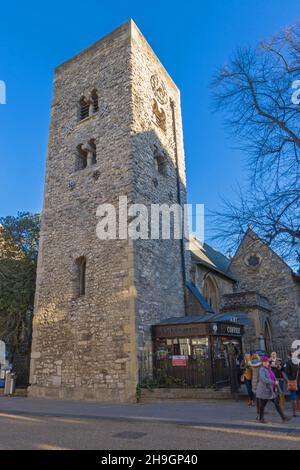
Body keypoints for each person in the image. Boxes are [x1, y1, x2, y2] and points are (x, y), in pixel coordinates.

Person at [256, 357, 288, 424]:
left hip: (271, 390)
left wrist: (276, 380)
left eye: (267, 362)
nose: (267, 363)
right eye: (265, 362)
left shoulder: (269, 369)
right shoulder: (262, 369)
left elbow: (272, 377)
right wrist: (274, 382)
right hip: (264, 390)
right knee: (262, 405)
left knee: (277, 404)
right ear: (262, 363)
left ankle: (284, 418)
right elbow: (263, 379)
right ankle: (261, 418)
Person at [284, 351, 300, 418]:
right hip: (299, 382)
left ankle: (294, 413)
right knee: (298, 397)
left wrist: (291, 379)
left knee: (293, 397)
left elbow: (287, 373)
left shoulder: (288, 363)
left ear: (289, 356)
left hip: (293, 382)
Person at [250, 353, 262, 418]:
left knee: (256, 397)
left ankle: (258, 410)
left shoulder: (251, 364)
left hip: (254, 380)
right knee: (260, 397)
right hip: (259, 380)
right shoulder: (260, 364)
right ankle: (261, 410)